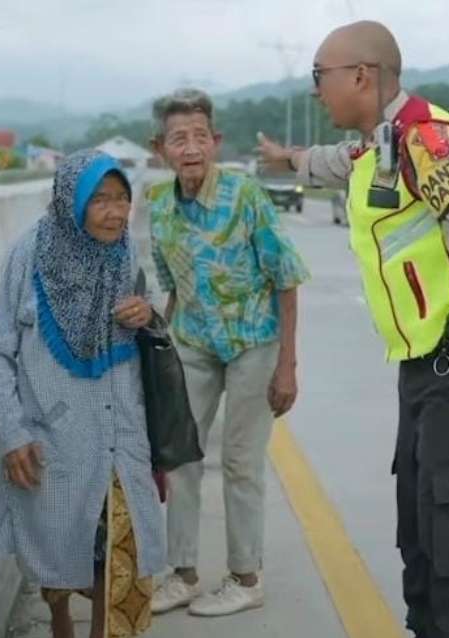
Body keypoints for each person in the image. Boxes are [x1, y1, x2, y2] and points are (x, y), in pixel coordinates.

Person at [257, 21, 449, 638]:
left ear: (361, 76)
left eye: (319, 77)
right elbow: (336, 164)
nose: (315, 92)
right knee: (421, 539)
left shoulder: (428, 137)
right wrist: (289, 158)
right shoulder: (379, 142)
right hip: (425, 369)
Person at [0, 149, 165, 638]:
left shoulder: (124, 253)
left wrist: (146, 313)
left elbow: (147, 315)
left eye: (122, 199)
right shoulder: (28, 256)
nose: (114, 212)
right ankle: (60, 620)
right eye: (99, 199)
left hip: (121, 435)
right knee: (60, 554)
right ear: (70, 201)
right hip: (54, 439)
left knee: (120, 559)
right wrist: (13, 432)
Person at [147, 89, 310, 617]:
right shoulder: (159, 208)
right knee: (181, 458)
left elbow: (285, 281)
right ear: (160, 149)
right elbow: (172, 288)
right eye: (179, 139)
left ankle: (246, 577)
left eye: (200, 137)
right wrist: (159, 357)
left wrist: (286, 365)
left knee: (241, 461)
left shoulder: (245, 196)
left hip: (253, 343)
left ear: (214, 142)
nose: (190, 148)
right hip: (193, 343)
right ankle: (184, 572)